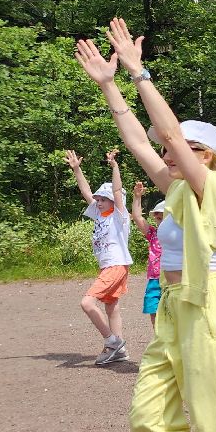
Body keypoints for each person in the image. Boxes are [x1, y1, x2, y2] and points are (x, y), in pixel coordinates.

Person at [75, 18, 216, 432]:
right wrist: (109, 86)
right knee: (148, 417)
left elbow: (168, 134)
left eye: (176, 149)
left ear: (204, 154)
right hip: (175, 306)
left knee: (213, 413)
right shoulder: (175, 191)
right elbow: (141, 140)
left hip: (210, 303)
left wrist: (138, 72)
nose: (165, 153)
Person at [65, 147, 133, 364]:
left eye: (104, 198)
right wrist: (77, 170)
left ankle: (111, 340)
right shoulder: (100, 215)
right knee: (111, 307)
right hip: (109, 267)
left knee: (87, 303)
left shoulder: (119, 216)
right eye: (98, 199)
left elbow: (117, 192)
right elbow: (86, 192)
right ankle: (119, 349)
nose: (99, 201)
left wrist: (115, 167)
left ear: (114, 201)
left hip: (116, 265)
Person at [130, 182, 166, 332]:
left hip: (172, 278)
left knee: (173, 312)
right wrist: (137, 197)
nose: (157, 215)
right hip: (154, 279)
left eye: (161, 213)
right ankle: (159, 337)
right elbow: (137, 217)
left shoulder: (180, 234)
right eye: (156, 214)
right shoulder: (153, 234)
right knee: (153, 310)